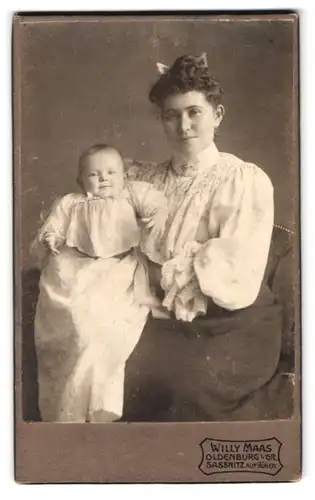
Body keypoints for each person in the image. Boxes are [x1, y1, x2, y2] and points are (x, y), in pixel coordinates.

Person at [123, 53, 283, 421]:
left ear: (218, 116)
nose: (184, 126)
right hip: (159, 314)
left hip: (231, 320)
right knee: (112, 360)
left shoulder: (241, 179)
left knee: (184, 384)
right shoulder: (145, 181)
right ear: (162, 122)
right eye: (172, 115)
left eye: (194, 112)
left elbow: (234, 270)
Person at [31, 144, 168, 423]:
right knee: (74, 315)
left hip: (117, 266)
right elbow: (53, 227)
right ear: (81, 180)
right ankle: (66, 409)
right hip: (77, 265)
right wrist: (52, 238)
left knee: (106, 324)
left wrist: (157, 214)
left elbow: (158, 201)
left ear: (123, 176)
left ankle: (98, 404)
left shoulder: (130, 194)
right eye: (94, 174)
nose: (104, 178)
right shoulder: (72, 202)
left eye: (111, 172)